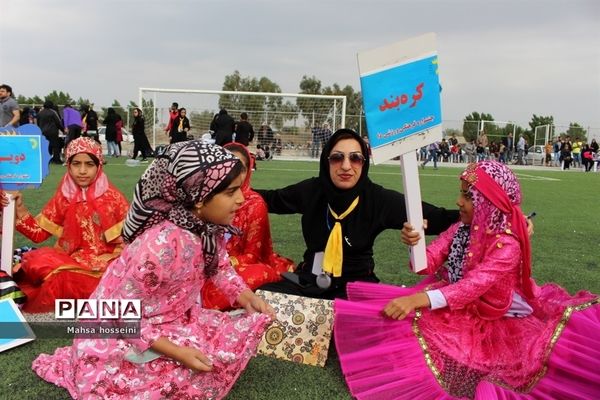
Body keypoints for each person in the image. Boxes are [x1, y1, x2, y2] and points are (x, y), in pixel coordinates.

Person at [334, 161, 600, 400]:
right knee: (404, 318)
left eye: (467, 196)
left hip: (491, 316)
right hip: (454, 299)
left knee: (424, 327)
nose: (458, 201)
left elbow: (470, 287)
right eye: (461, 193)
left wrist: (417, 299)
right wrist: (413, 244)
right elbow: (424, 266)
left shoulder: (507, 245)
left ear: (488, 203)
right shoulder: (462, 228)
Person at [31, 140, 274, 399]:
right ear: (199, 198)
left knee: (212, 351)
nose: (241, 199)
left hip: (167, 317)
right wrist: (177, 352)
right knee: (169, 379)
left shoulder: (204, 229)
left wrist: (247, 297)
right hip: (118, 328)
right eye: (231, 192)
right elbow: (121, 315)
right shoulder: (161, 246)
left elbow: (220, 267)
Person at [257, 129, 459, 300]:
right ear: (326, 161)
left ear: (364, 163)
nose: (346, 166)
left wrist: (477, 212)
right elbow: (268, 199)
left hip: (359, 288)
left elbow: (437, 217)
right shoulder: (312, 191)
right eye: (337, 158)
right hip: (311, 280)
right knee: (263, 299)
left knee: (392, 320)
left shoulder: (377, 198)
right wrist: (232, 188)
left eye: (355, 158)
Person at [11, 137, 129, 312]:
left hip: (109, 263)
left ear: (99, 166)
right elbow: (38, 234)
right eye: (76, 164)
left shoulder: (113, 198)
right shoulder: (63, 197)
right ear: (68, 165)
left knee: (119, 277)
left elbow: (133, 237)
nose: (82, 171)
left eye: (89, 164)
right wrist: (20, 210)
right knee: (42, 264)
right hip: (72, 261)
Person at [202, 143, 295, 310]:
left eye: (241, 168)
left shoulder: (252, 203)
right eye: (229, 194)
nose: (239, 200)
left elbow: (247, 258)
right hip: (165, 313)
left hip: (220, 269)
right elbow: (138, 290)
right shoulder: (169, 242)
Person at [37, 100, 65, 164]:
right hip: (52, 131)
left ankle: (47, 160)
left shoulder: (40, 113)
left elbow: (38, 123)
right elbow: (58, 122)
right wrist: (62, 130)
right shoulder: (53, 112)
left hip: (43, 131)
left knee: (46, 146)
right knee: (55, 146)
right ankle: (56, 160)